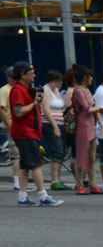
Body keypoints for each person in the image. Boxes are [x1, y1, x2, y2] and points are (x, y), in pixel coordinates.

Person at [9, 61, 62, 206]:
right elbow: (18, 112)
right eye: (31, 73)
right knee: (37, 164)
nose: (34, 75)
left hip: (29, 132)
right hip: (24, 132)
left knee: (25, 166)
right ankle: (43, 195)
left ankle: (22, 197)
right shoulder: (18, 90)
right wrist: (34, 103)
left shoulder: (25, 89)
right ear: (23, 74)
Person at [66, 65, 102, 195]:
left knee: (92, 158)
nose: (91, 78)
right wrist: (98, 108)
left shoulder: (86, 90)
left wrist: (97, 110)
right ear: (85, 78)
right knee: (82, 155)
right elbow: (87, 108)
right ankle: (80, 184)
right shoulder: (78, 91)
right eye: (90, 76)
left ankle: (93, 184)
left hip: (90, 124)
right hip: (82, 124)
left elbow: (91, 107)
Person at [40, 69, 70, 191]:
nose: (60, 84)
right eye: (58, 81)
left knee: (61, 150)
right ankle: (54, 180)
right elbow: (46, 110)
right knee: (57, 150)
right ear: (52, 81)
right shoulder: (46, 90)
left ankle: (58, 179)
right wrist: (55, 126)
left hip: (60, 122)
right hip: (50, 124)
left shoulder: (56, 90)